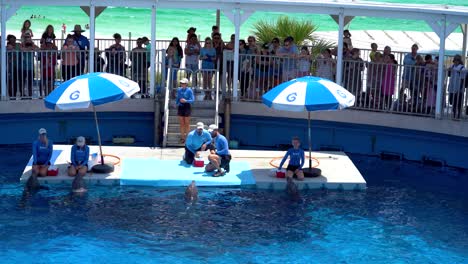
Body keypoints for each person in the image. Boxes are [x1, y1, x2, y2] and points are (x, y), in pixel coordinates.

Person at [176, 78, 195, 143]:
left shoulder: (189, 90)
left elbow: (192, 100)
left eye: (183, 83)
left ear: (186, 84)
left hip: (187, 106)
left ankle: (187, 137)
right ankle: (182, 137)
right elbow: (178, 98)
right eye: (181, 83)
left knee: (187, 123)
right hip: (181, 106)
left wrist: (186, 101)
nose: (182, 84)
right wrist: (178, 103)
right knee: (181, 123)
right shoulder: (179, 90)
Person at [447, 54, 466, 120]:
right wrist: (449, 70)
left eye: (456, 60)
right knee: (452, 101)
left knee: (458, 102)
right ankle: (454, 114)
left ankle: (457, 115)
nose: (455, 61)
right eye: (454, 60)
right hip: (452, 87)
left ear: (459, 61)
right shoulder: (452, 66)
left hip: (459, 88)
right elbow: (449, 75)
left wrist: (460, 88)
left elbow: (463, 79)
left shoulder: (462, 68)